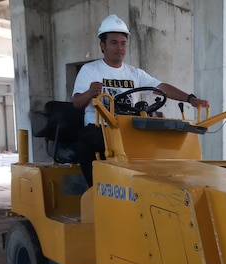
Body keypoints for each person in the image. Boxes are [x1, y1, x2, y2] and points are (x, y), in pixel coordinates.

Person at [72, 14, 209, 186]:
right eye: (114, 42)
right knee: (88, 139)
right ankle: (95, 191)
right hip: (100, 128)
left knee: (158, 138)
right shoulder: (90, 70)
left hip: (128, 129)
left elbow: (161, 87)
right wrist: (89, 93)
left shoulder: (134, 73)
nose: (119, 47)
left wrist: (191, 99)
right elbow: (77, 103)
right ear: (103, 45)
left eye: (123, 43)